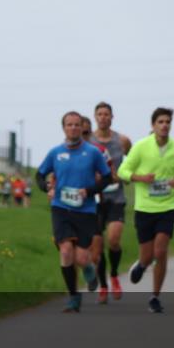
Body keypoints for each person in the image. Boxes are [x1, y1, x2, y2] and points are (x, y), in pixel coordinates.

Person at [117, 107, 174, 313]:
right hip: (144, 208)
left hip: (167, 206)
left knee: (161, 251)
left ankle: (155, 296)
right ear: (153, 125)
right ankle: (141, 265)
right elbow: (123, 171)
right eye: (160, 122)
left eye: (168, 122)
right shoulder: (141, 146)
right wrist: (141, 178)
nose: (164, 125)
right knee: (148, 255)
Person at [36, 111, 111, 313]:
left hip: (86, 210)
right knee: (66, 251)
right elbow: (39, 175)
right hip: (61, 208)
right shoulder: (55, 153)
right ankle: (73, 297)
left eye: (77, 125)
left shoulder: (93, 152)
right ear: (64, 128)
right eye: (69, 125)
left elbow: (106, 178)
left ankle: (88, 270)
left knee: (82, 258)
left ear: (82, 128)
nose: (73, 128)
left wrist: (89, 191)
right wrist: (47, 188)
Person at [92, 102, 132, 301]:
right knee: (97, 249)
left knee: (114, 240)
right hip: (95, 199)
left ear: (112, 117)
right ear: (95, 117)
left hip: (116, 197)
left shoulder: (122, 140)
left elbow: (133, 163)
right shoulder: (87, 140)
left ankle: (115, 274)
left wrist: (124, 176)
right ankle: (103, 285)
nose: (103, 117)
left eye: (106, 114)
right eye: (99, 114)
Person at [81, 116, 114, 302]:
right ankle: (87, 271)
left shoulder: (100, 151)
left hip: (96, 204)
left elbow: (111, 174)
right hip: (72, 207)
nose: (82, 135)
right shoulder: (64, 152)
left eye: (86, 132)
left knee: (97, 250)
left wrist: (96, 184)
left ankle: (102, 285)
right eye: (78, 131)